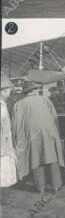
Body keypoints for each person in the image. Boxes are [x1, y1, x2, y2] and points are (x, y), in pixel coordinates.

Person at [11, 81, 64, 193]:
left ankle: (40, 188)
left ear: (24, 92)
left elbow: (16, 125)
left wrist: (18, 141)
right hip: (49, 131)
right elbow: (55, 117)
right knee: (51, 157)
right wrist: (57, 133)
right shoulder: (45, 100)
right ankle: (56, 185)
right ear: (35, 90)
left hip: (32, 134)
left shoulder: (19, 104)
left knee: (36, 158)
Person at [1, 73, 17, 206]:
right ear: (3, 91)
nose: (9, 93)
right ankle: (4, 199)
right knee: (4, 172)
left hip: (5, 144)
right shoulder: (1, 106)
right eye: (8, 90)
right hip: (3, 146)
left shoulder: (4, 105)